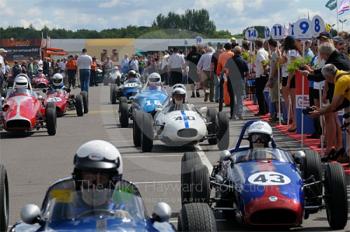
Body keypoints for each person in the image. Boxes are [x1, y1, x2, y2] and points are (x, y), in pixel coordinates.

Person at [309, 64, 350, 162]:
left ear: (328, 77)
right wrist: (320, 110)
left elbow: (333, 106)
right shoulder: (343, 74)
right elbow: (339, 103)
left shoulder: (340, 81)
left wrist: (319, 113)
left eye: (325, 78)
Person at [254, 39, 270, 116]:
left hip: (261, 75)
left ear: (256, 45)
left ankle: (262, 110)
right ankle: (265, 109)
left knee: (259, 93)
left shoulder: (260, 52)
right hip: (262, 74)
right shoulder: (265, 51)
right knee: (262, 93)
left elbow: (263, 62)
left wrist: (264, 72)